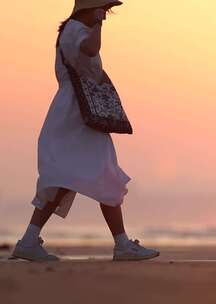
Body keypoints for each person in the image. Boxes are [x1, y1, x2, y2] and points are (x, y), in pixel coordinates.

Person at [12, 0, 159, 262]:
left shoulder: (73, 29)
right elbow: (91, 50)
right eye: (103, 9)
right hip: (77, 115)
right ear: (92, 8)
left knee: (72, 178)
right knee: (96, 173)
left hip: (74, 113)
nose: (106, 14)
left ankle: (29, 240)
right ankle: (121, 245)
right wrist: (98, 23)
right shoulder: (77, 30)